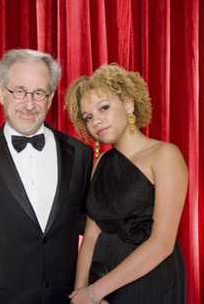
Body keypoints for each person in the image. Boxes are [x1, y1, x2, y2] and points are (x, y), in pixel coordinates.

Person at [0, 49, 93, 304]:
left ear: (50, 98)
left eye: (38, 93)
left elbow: (94, 231)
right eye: (19, 91)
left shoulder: (81, 155)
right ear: (1, 92)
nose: (28, 104)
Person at [65, 63, 187, 304]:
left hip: (149, 283)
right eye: (88, 117)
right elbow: (90, 237)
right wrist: (81, 291)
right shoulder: (100, 163)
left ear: (128, 105)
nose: (96, 121)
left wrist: (93, 293)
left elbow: (162, 244)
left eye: (104, 108)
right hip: (99, 281)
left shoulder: (165, 155)